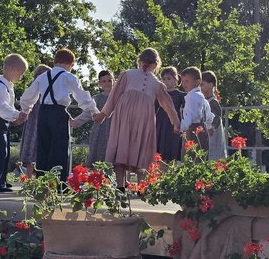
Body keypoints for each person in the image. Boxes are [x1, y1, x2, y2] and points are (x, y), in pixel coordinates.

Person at [93, 48, 180, 187]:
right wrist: (175, 123)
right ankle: (141, 187)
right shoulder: (157, 84)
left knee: (122, 146)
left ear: (140, 61)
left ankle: (120, 186)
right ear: (156, 65)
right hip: (144, 119)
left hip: (124, 115)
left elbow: (114, 95)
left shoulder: (127, 75)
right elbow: (168, 106)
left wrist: (104, 114)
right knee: (141, 149)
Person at [20, 48, 99, 182]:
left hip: (43, 113)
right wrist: (94, 112)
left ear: (55, 62)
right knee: (59, 149)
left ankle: (42, 182)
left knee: (43, 147)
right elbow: (82, 98)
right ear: (71, 64)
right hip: (58, 112)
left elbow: (27, 97)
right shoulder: (69, 77)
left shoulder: (42, 76)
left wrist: (25, 111)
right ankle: (58, 183)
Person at [0, 53, 28, 192]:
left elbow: (7, 108)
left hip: (3, 124)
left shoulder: (7, 87)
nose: (20, 77)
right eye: (20, 74)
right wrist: (16, 114)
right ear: (13, 70)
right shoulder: (0, 88)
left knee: (4, 152)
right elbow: (2, 108)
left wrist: (15, 118)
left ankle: (1, 180)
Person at [71, 70, 115, 167]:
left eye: (109, 80)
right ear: (99, 84)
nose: (107, 83)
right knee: (98, 158)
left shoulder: (119, 97)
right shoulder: (97, 98)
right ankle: (97, 179)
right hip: (100, 131)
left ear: (114, 81)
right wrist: (76, 121)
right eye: (104, 81)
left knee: (114, 158)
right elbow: (88, 113)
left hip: (115, 130)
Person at [19, 64, 51, 178]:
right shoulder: (41, 88)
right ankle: (29, 179)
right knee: (33, 152)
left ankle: (29, 179)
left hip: (33, 122)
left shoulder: (34, 88)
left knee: (32, 153)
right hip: (35, 122)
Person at [180, 66, 214, 159]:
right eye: (182, 81)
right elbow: (208, 115)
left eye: (187, 81)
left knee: (190, 158)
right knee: (202, 156)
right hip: (203, 129)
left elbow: (189, 116)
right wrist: (210, 127)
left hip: (193, 130)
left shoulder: (191, 97)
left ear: (197, 82)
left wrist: (180, 127)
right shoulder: (202, 96)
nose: (183, 84)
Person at [156, 66, 186, 162]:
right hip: (160, 125)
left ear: (176, 79)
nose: (166, 81)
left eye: (169, 79)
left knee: (172, 151)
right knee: (160, 151)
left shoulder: (181, 95)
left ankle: (170, 173)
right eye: (163, 79)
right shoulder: (159, 94)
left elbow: (187, 110)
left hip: (174, 125)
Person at [201, 71, 227, 160]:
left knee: (213, 158)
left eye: (202, 84)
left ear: (211, 85)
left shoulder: (212, 102)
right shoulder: (204, 101)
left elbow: (217, 117)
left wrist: (212, 127)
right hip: (206, 137)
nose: (200, 88)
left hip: (212, 136)